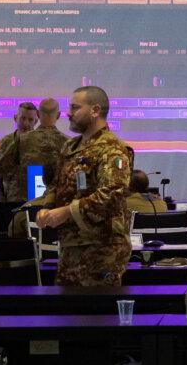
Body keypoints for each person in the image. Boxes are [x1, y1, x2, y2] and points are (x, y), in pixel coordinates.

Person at [37, 86, 133, 286]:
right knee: (67, 312)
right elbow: (56, 184)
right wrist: (47, 207)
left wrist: (67, 212)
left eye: (75, 108)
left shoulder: (113, 149)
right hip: (71, 245)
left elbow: (112, 194)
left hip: (102, 248)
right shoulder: (70, 147)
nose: (68, 113)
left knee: (95, 313)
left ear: (95, 111)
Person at [0, 101, 38, 202]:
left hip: (34, 202)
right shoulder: (5, 143)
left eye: (30, 120)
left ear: (36, 121)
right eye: (23, 118)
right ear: (15, 118)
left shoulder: (41, 144)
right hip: (8, 201)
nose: (26, 123)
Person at [18, 97, 69, 179]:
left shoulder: (21, 140)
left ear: (37, 114)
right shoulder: (69, 143)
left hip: (25, 190)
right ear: (58, 115)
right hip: (57, 191)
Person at [7, 162, 58, 239]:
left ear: (43, 180)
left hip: (36, 249)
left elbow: (12, 232)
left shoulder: (25, 210)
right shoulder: (76, 206)